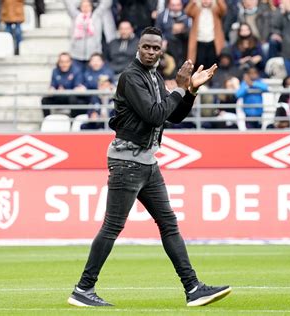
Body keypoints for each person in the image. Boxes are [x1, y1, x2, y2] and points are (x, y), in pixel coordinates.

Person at [67, 26, 231, 308]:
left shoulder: (153, 76)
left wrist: (190, 90)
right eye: (147, 47)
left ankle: (193, 288)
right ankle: (83, 289)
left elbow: (173, 116)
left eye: (156, 48)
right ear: (138, 48)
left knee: (168, 223)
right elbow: (155, 115)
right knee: (112, 227)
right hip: (127, 161)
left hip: (146, 161)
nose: (151, 52)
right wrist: (179, 87)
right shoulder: (131, 77)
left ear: (161, 50)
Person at [63, 0, 113, 72]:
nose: (85, 8)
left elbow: (107, 3)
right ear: (80, 7)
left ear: (92, 7)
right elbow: (68, 4)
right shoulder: (75, 16)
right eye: (83, 6)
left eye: (88, 6)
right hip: (76, 54)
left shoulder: (97, 16)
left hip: (93, 54)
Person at [41, 52, 86, 117]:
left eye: (66, 62)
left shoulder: (76, 71)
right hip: (59, 96)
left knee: (73, 100)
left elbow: (77, 88)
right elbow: (52, 86)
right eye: (61, 62)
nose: (64, 64)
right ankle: (47, 120)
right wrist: (53, 90)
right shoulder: (55, 71)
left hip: (71, 97)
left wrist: (65, 91)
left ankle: (72, 122)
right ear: (58, 63)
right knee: (44, 100)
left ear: (70, 62)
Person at [185, 0, 227, 70]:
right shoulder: (197, 8)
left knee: (213, 64)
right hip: (199, 40)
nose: (206, 1)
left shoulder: (215, 8)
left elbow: (223, 10)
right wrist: (192, 2)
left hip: (213, 40)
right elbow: (188, 12)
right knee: (199, 64)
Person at [155, 0, 190, 72]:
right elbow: (157, 30)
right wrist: (163, 39)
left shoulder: (187, 15)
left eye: (178, 5)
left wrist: (183, 30)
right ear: (169, 5)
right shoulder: (161, 16)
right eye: (173, 5)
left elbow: (191, 32)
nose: (175, 8)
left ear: (182, 5)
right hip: (168, 46)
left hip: (183, 46)